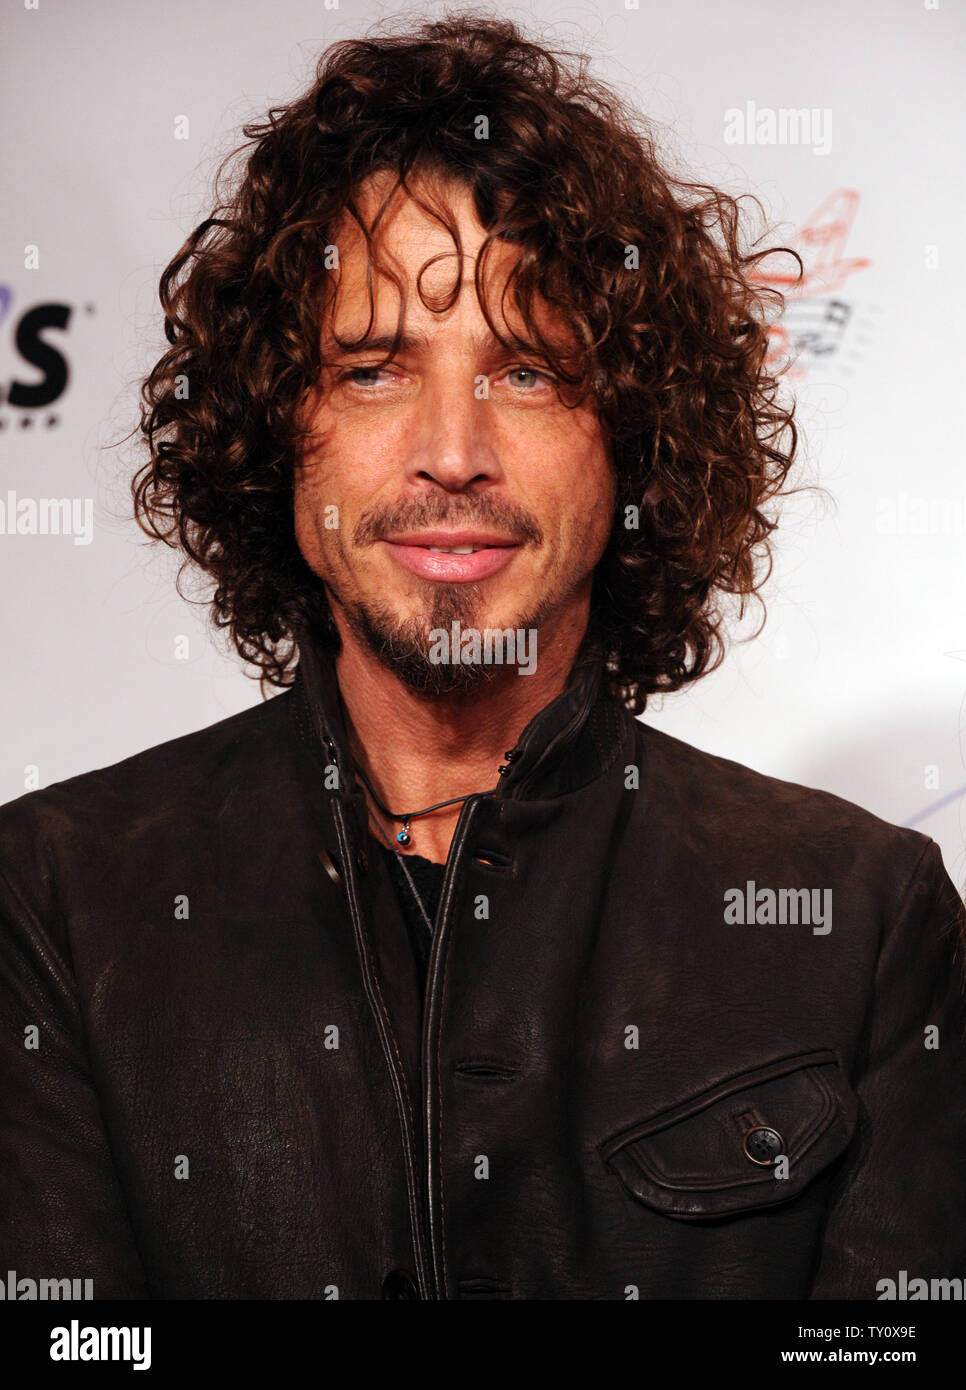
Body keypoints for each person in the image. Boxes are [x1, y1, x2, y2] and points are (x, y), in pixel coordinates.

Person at [1, 14, 964, 1301]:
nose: (452, 450)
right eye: (373, 368)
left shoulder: (869, 916)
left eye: (526, 371)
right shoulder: (53, 900)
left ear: (632, 436)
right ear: (274, 428)